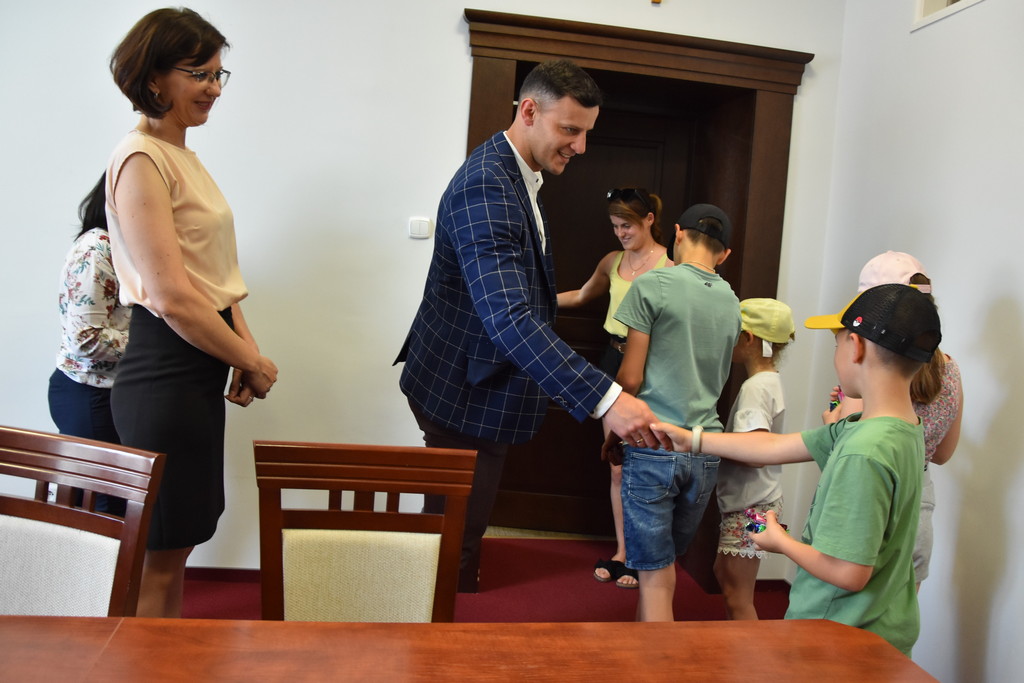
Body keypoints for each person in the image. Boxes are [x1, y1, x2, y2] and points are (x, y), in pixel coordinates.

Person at [395, 59, 662, 592]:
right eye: (570, 129)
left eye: (586, 132)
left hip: (476, 382)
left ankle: (439, 594)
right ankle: (432, 621)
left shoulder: (519, 174)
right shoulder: (488, 185)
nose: (580, 146)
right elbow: (509, 316)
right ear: (530, 111)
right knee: (452, 542)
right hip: (460, 388)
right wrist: (607, 399)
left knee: (454, 530)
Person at [649, 283, 942, 656]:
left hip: (840, 637)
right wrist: (691, 439)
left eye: (836, 343)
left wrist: (780, 542)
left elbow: (850, 573)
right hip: (883, 628)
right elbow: (772, 445)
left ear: (856, 346)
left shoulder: (864, 450)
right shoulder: (902, 429)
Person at [106, 7, 278, 617]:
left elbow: (219, 282)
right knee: (159, 557)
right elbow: (172, 297)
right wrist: (251, 360)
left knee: (177, 547)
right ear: (154, 77)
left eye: (217, 74)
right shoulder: (140, 158)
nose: (213, 88)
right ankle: (144, 660)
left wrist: (242, 351)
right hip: (166, 372)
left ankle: (161, 656)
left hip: (198, 366)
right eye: (198, 74)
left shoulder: (184, 157)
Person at [610, 203, 740, 620]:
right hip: (704, 450)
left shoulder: (653, 285)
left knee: (654, 575)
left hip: (653, 441)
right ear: (724, 254)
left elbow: (630, 378)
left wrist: (613, 430)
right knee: (664, 565)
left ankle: (659, 657)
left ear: (678, 234)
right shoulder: (732, 302)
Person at [825, 251, 963, 590]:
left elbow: (843, 442)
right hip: (919, 506)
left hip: (869, 505)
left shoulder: (872, 372)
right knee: (900, 610)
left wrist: (831, 420)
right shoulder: (951, 369)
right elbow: (943, 454)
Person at [557, 187, 673, 589]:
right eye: (615, 226)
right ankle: (623, 552)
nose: (621, 233)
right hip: (611, 362)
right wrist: (532, 303)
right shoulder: (612, 261)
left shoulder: (671, 268)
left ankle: (646, 556)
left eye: (627, 225)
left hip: (652, 367)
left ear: (649, 220)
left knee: (650, 464)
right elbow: (582, 296)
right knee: (619, 466)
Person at [47, 173, 131, 516]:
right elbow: (87, 339)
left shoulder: (126, 249)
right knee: (103, 514)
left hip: (110, 393)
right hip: (90, 393)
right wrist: (157, 346)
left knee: (114, 509)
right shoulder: (98, 248)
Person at [713, 298, 794, 620]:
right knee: (724, 574)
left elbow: (755, 452)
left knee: (738, 594)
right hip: (755, 502)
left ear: (748, 338)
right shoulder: (770, 381)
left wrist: (709, 443)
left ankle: (748, 649)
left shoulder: (756, 387)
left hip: (752, 505)